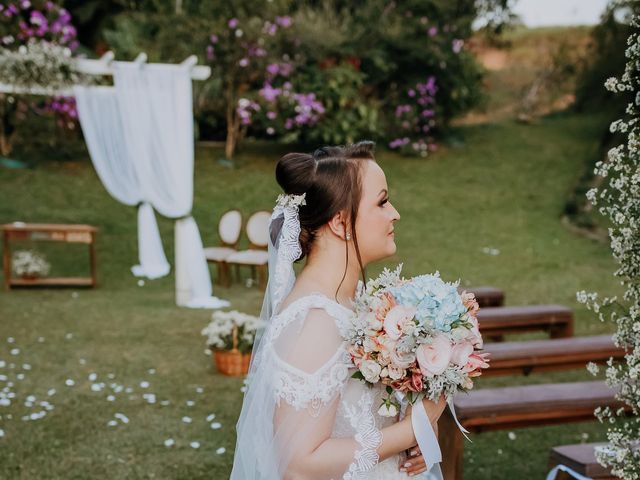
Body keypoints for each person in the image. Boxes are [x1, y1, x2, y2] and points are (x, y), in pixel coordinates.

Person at [231, 141, 448, 479]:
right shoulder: (316, 323)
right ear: (341, 223)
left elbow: (365, 416)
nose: (395, 213)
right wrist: (412, 429)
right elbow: (298, 465)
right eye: (382, 202)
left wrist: (412, 439)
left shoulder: (356, 300)